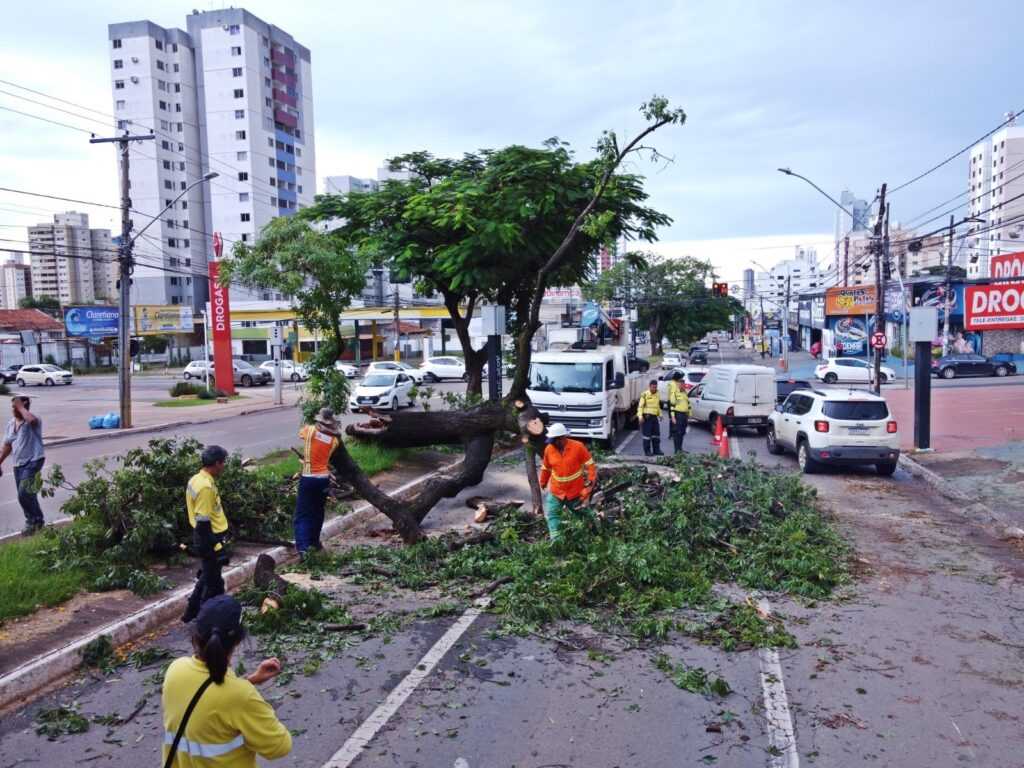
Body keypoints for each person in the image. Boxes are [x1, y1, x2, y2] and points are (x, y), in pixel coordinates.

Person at [163, 595, 292, 767]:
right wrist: (255, 704)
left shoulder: (175, 669)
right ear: (238, 641)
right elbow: (280, 747)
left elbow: (210, 700)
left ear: (196, 636)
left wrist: (250, 680)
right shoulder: (241, 696)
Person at [183, 445, 230, 624]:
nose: (224, 467)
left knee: (206, 577)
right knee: (214, 585)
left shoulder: (196, 479)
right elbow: (203, 525)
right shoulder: (205, 487)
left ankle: (190, 613)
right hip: (209, 538)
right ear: (216, 463)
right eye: (223, 463)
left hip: (206, 537)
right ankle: (204, 622)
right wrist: (218, 548)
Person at [538, 423, 597, 541]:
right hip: (556, 491)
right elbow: (546, 467)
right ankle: (556, 541)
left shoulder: (578, 447)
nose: (551, 443)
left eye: (554, 440)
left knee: (584, 514)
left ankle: (595, 534)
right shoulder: (549, 449)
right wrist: (543, 481)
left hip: (574, 492)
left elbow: (590, 466)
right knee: (553, 514)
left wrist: (589, 486)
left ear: (562, 438)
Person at [295, 408, 341, 557]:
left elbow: (301, 433)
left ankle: (303, 550)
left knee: (303, 515)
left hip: (308, 478)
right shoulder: (334, 441)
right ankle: (314, 543)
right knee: (317, 512)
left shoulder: (309, 431)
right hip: (323, 480)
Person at [0, 395, 46, 535]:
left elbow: (32, 420)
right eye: (13, 407)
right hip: (18, 464)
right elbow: (7, 445)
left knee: (23, 494)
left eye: (16, 406)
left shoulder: (33, 419)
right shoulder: (10, 424)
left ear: (24, 406)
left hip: (34, 460)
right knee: (29, 494)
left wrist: (21, 407)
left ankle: (32, 521)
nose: (13, 409)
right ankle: (37, 522)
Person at [637, 380, 663, 456]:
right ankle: (647, 451)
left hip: (654, 417)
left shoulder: (657, 394)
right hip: (647, 417)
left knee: (656, 434)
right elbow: (640, 407)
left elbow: (657, 406)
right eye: (653, 387)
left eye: (655, 387)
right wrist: (640, 416)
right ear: (649, 386)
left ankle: (656, 450)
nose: (654, 389)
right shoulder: (645, 394)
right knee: (647, 435)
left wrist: (660, 415)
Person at [667, 371, 690, 454]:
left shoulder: (685, 393)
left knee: (682, 432)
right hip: (678, 414)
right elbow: (672, 406)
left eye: (684, 385)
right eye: (681, 384)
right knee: (678, 432)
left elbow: (688, 404)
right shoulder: (675, 393)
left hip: (684, 415)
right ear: (678, 385)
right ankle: (677, 450)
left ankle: (680, 449)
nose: (683, 386)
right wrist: (673, 417)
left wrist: (689, 414)